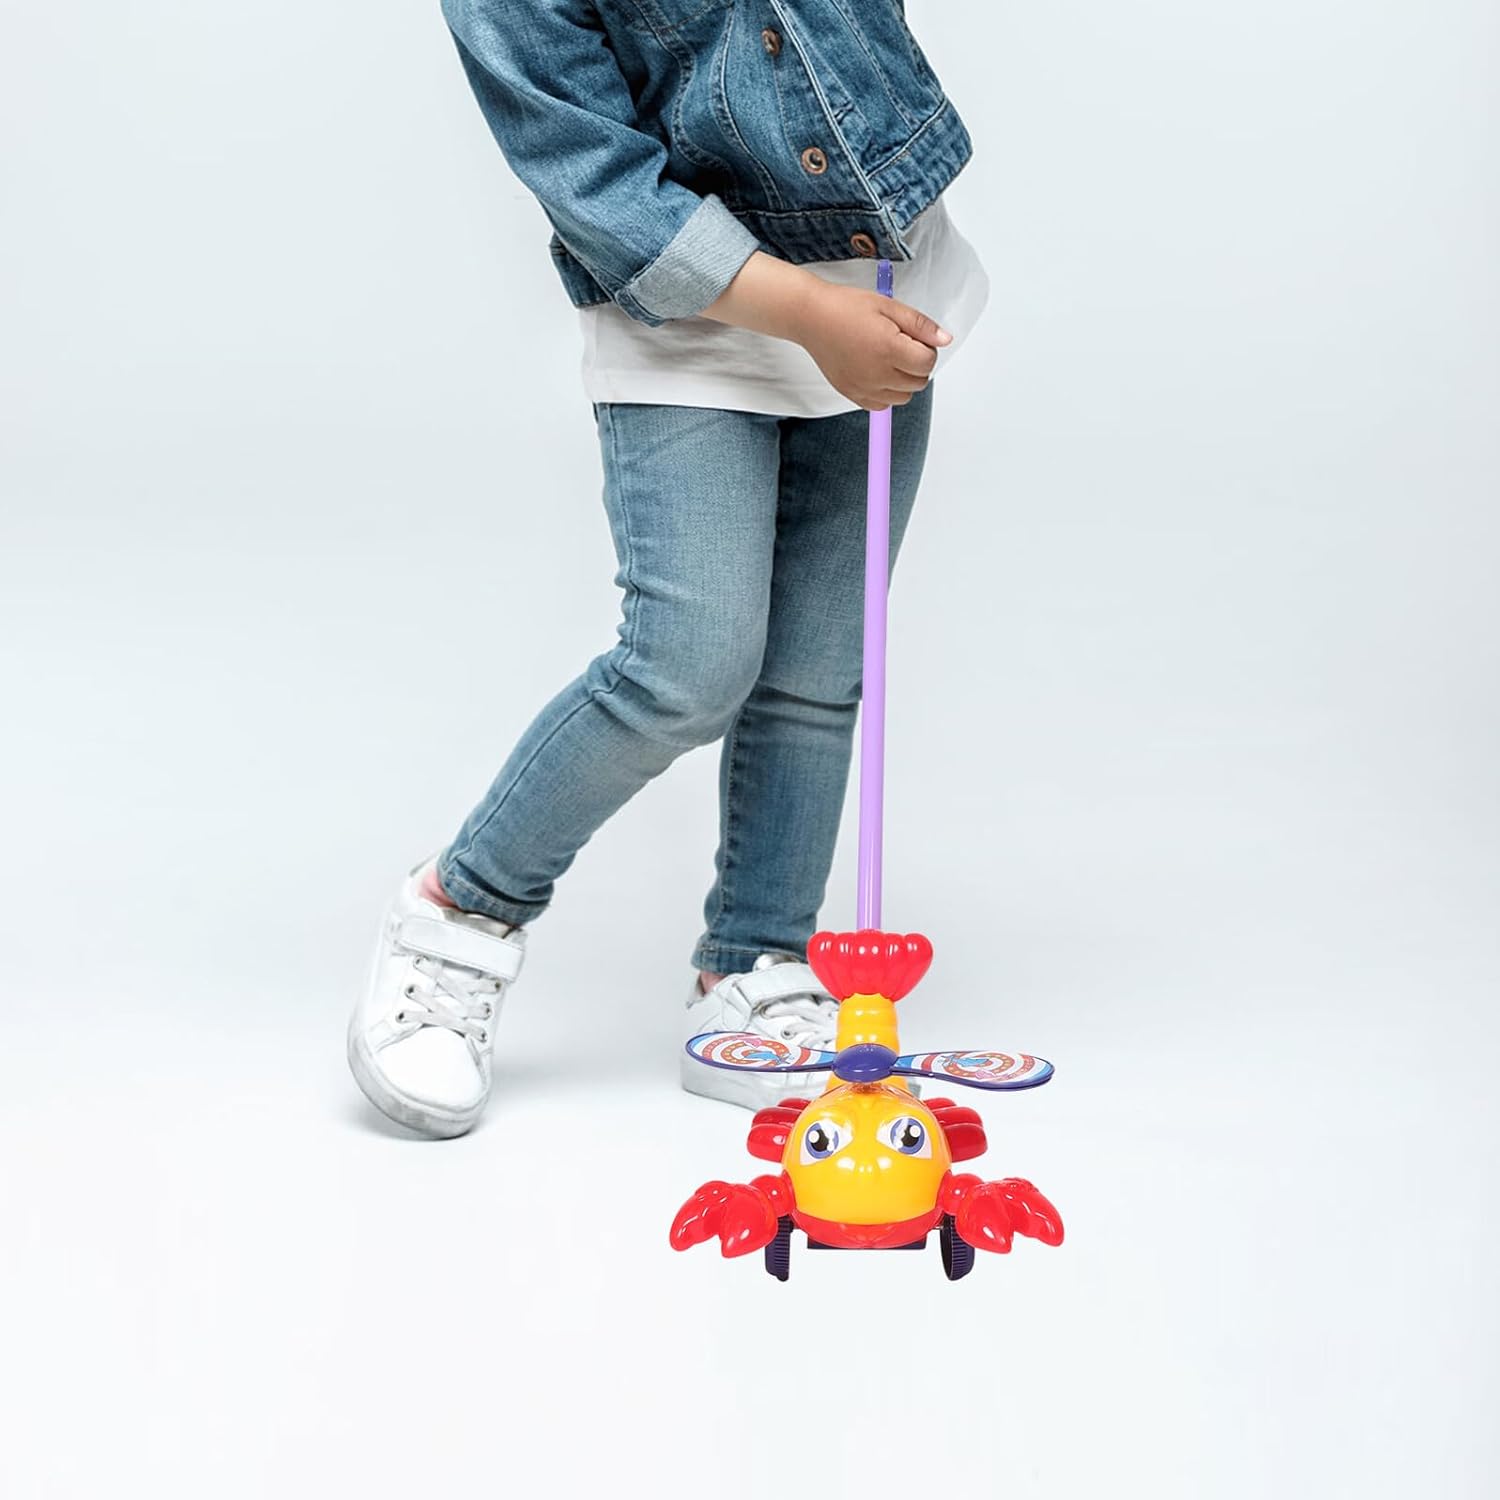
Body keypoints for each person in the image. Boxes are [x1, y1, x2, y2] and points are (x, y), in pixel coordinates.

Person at [347, 0, 990, 1137]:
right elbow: (591, 173)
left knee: (817, 670)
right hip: (688, 320)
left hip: (877, 285)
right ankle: (460, 912)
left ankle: (754, 961)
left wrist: (844, 303)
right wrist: (805, 312)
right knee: (686, 665)